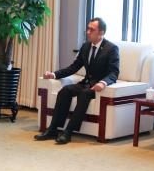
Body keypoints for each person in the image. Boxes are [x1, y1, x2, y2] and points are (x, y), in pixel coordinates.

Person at [34, 17, 120, 145]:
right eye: (88, 29)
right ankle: (53, 129)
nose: (88, 32)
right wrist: (54, 74)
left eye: (92, 29)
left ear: (101, 32)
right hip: (86, 83)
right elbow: (73, 67)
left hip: (98, 87)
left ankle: (68, 132)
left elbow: (114, 72)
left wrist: (103, 83)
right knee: (65, 91)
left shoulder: (111, 48)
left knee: (84, 94)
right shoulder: (85, 46)